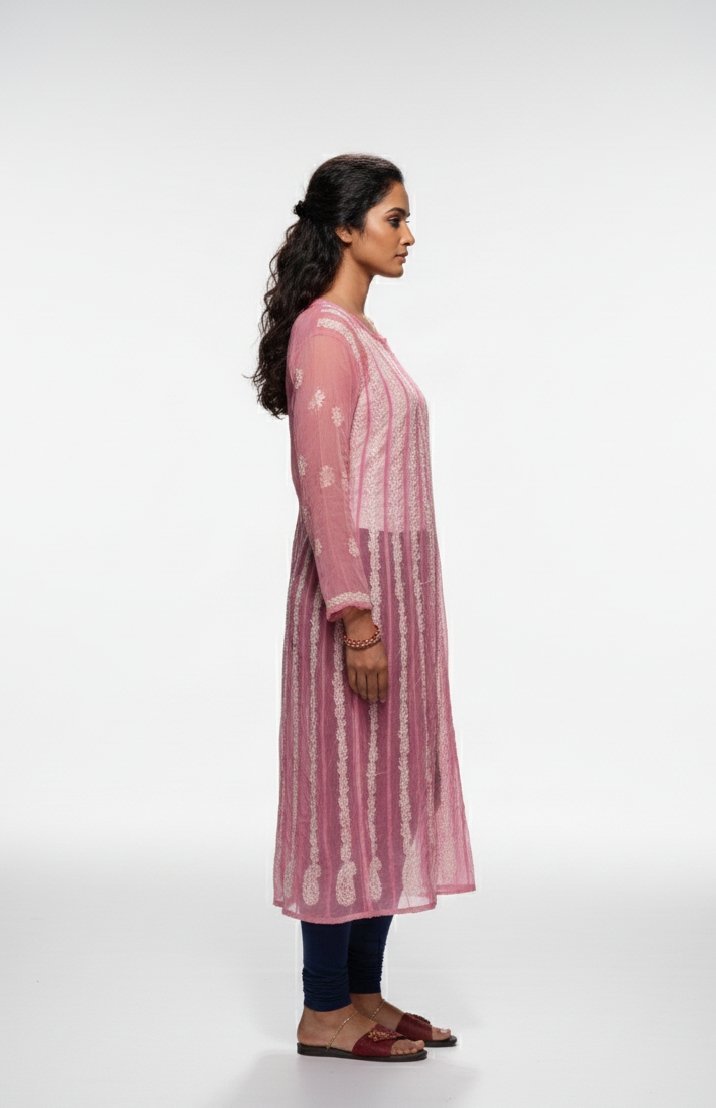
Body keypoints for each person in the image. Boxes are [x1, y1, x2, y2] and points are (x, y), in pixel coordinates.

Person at [250, 154, 477, 1062]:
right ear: (345, 228)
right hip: (358, 596)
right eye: (394, 218)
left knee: (387, 789)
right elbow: (323, 483)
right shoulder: (325, 335)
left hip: (401, 591)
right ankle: (322, 1009)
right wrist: (355, 615)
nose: (409, 235)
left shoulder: (364, 335)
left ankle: (363, 993)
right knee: (340, 792)